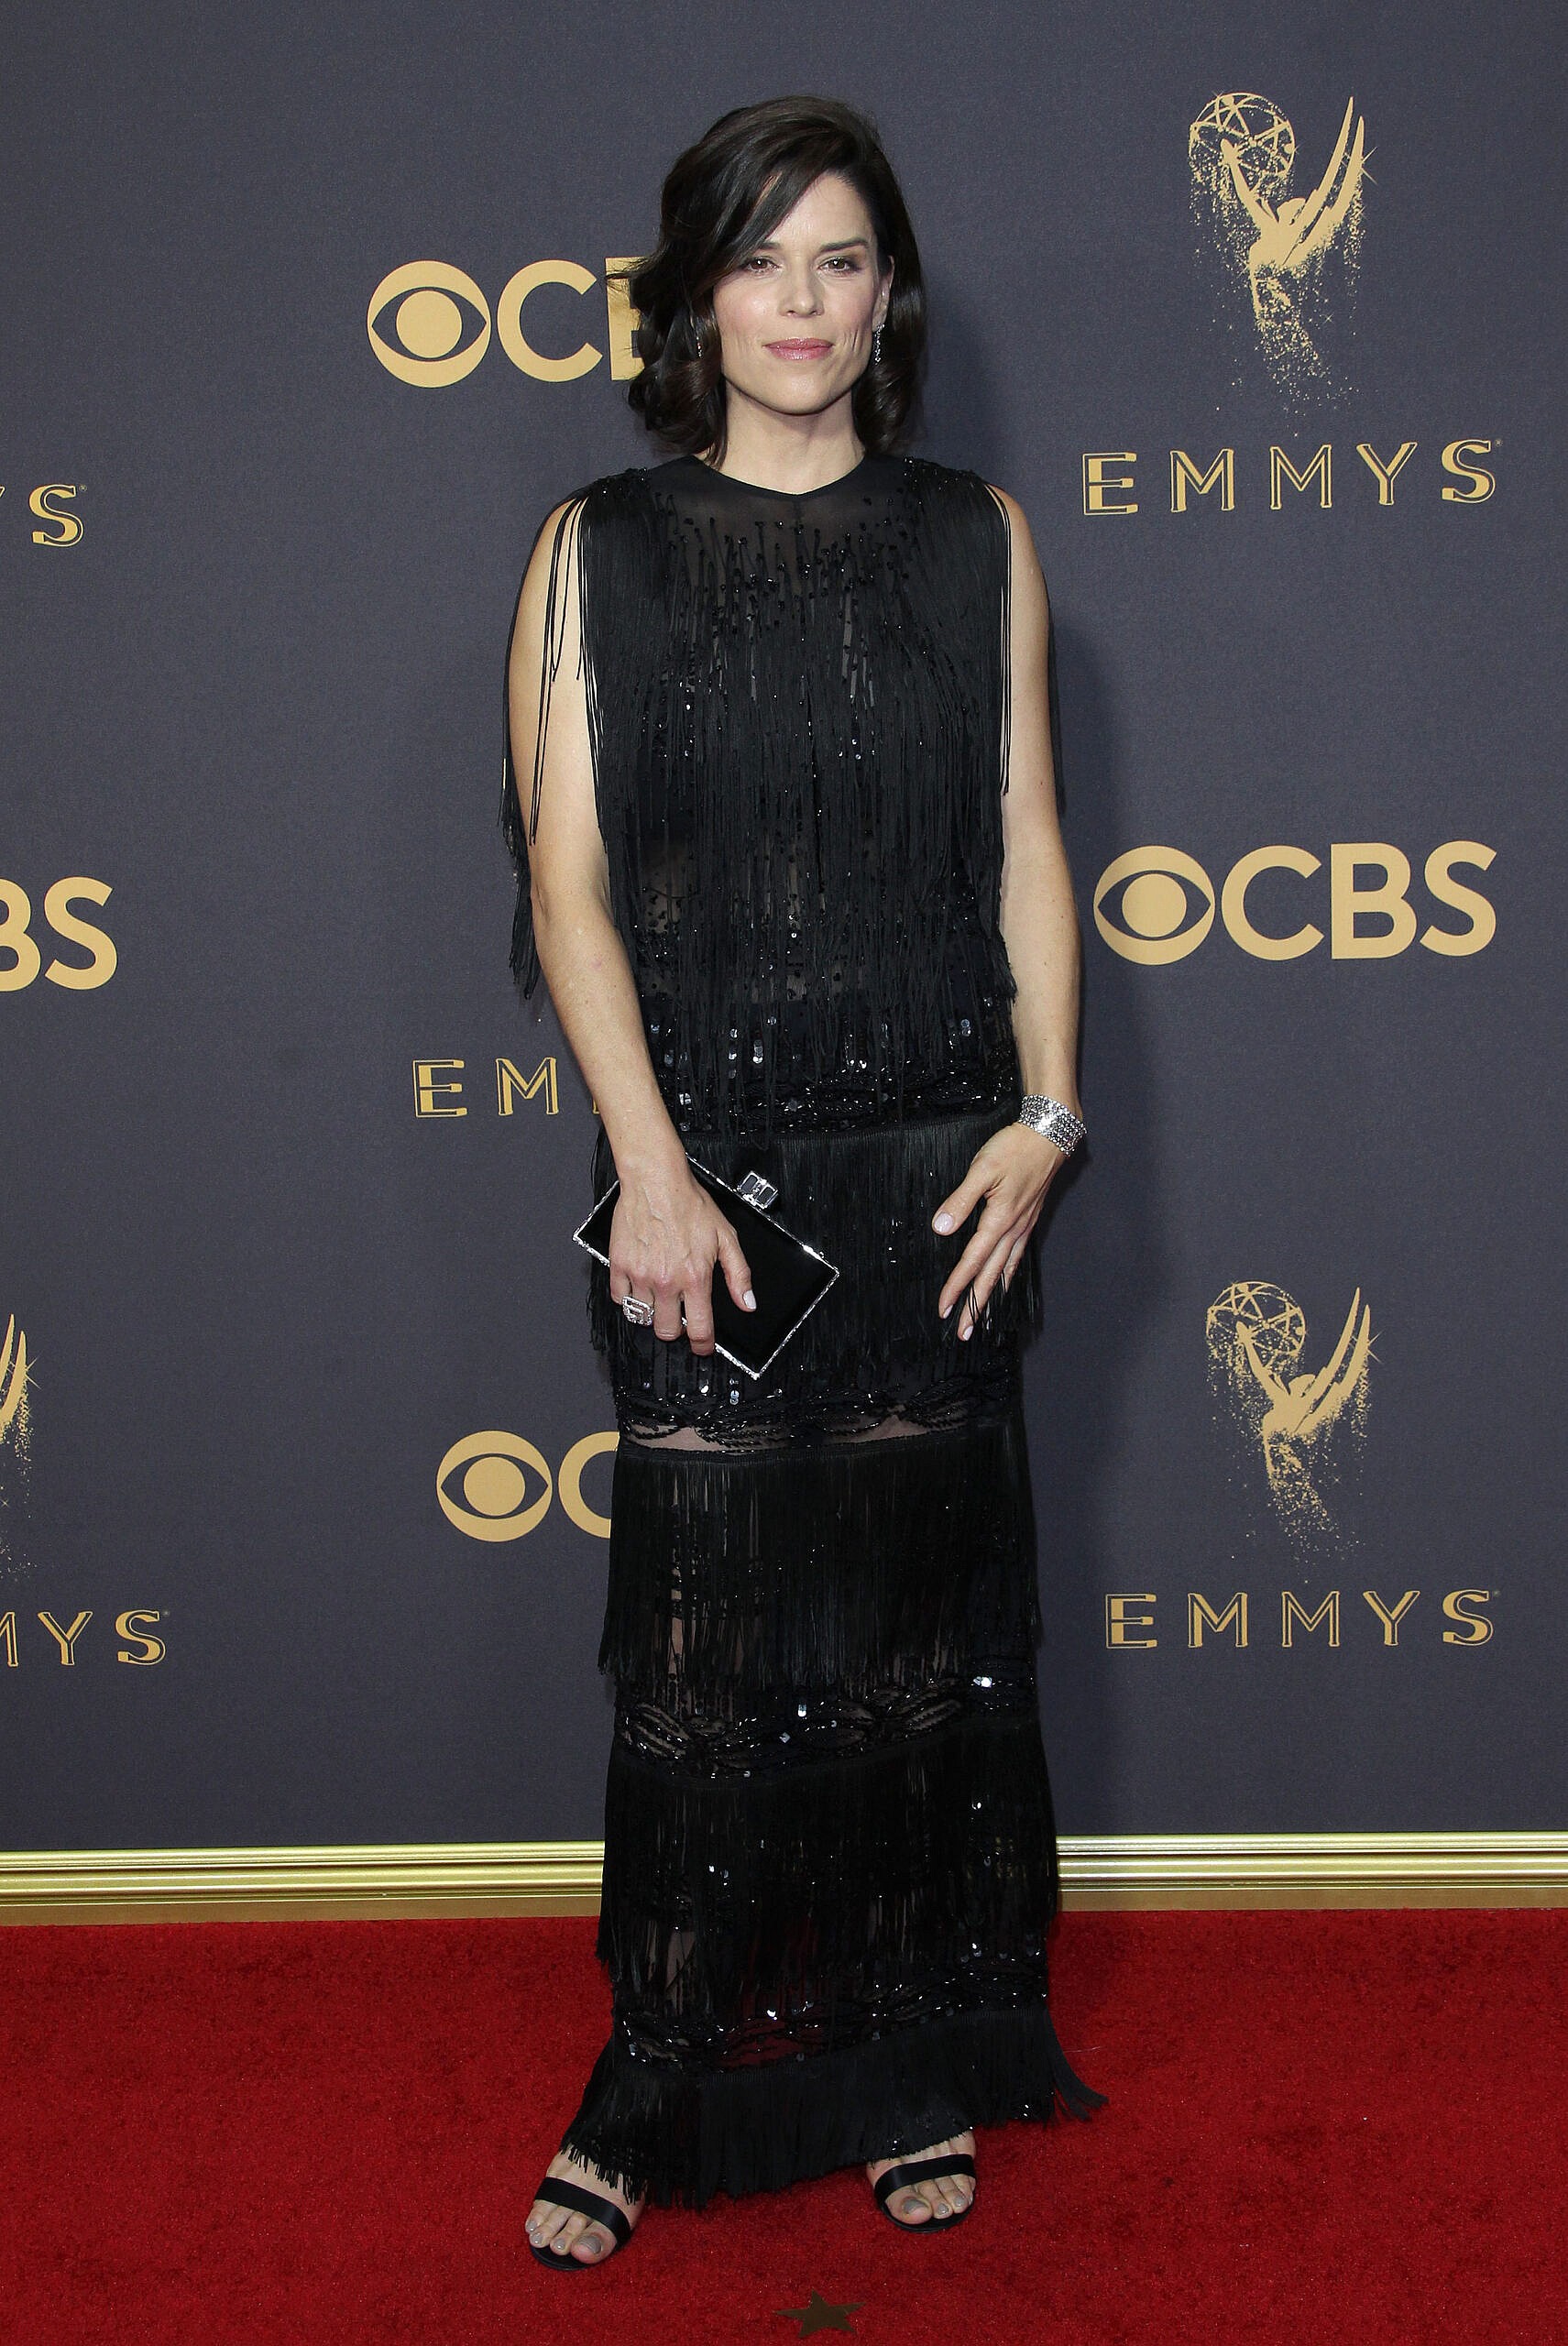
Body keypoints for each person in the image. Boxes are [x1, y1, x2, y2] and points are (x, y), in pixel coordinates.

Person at [503, 94, 1103, 2269]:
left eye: (842, 261)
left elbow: (1028, 847)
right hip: (711, 1178)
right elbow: (567, 883)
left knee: (916, 1655)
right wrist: (649, 1172)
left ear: (886, 297)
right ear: (694, 296)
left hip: (947, 1167)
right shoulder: (601, 545)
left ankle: (903, 2047)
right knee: (713, 1654)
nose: (802, 304)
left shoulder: (978, 536)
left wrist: (1044, 1118)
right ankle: (661, 2062)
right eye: (763, 260)